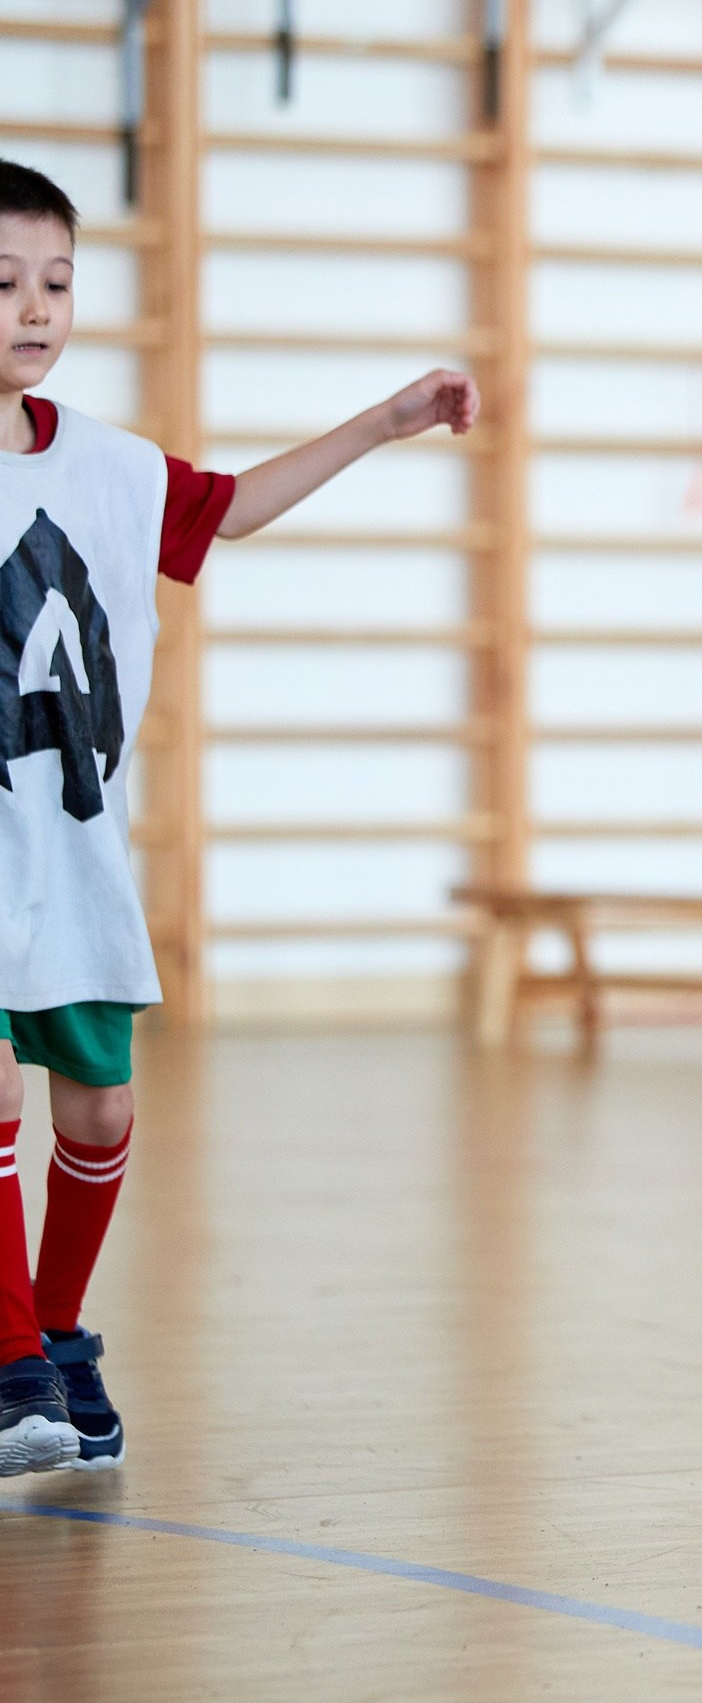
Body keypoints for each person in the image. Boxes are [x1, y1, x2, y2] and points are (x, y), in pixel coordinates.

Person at [0, 159, 479, 1476]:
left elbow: (230, 511)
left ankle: (51, 1332)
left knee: (94, 1114)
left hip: (73, 844)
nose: (33, 309)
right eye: (2, 283)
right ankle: (8, 1366)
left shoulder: (101, 465)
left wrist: (384, 420)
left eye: (54, 281)